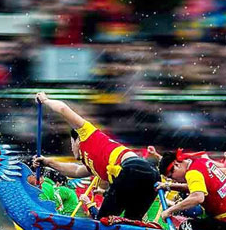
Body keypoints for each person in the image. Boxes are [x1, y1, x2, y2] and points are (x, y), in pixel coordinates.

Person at [33, 92, 159, 220]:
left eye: (71, 144)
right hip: (152, 175)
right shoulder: (92, 164)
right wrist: (48, 162)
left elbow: (63, 109)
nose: (71, 149)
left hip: (132, 169)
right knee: (131, 222)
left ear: (76, 140)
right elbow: (75, 171)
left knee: (105, 220)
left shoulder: (86, 133)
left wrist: (45, 100)